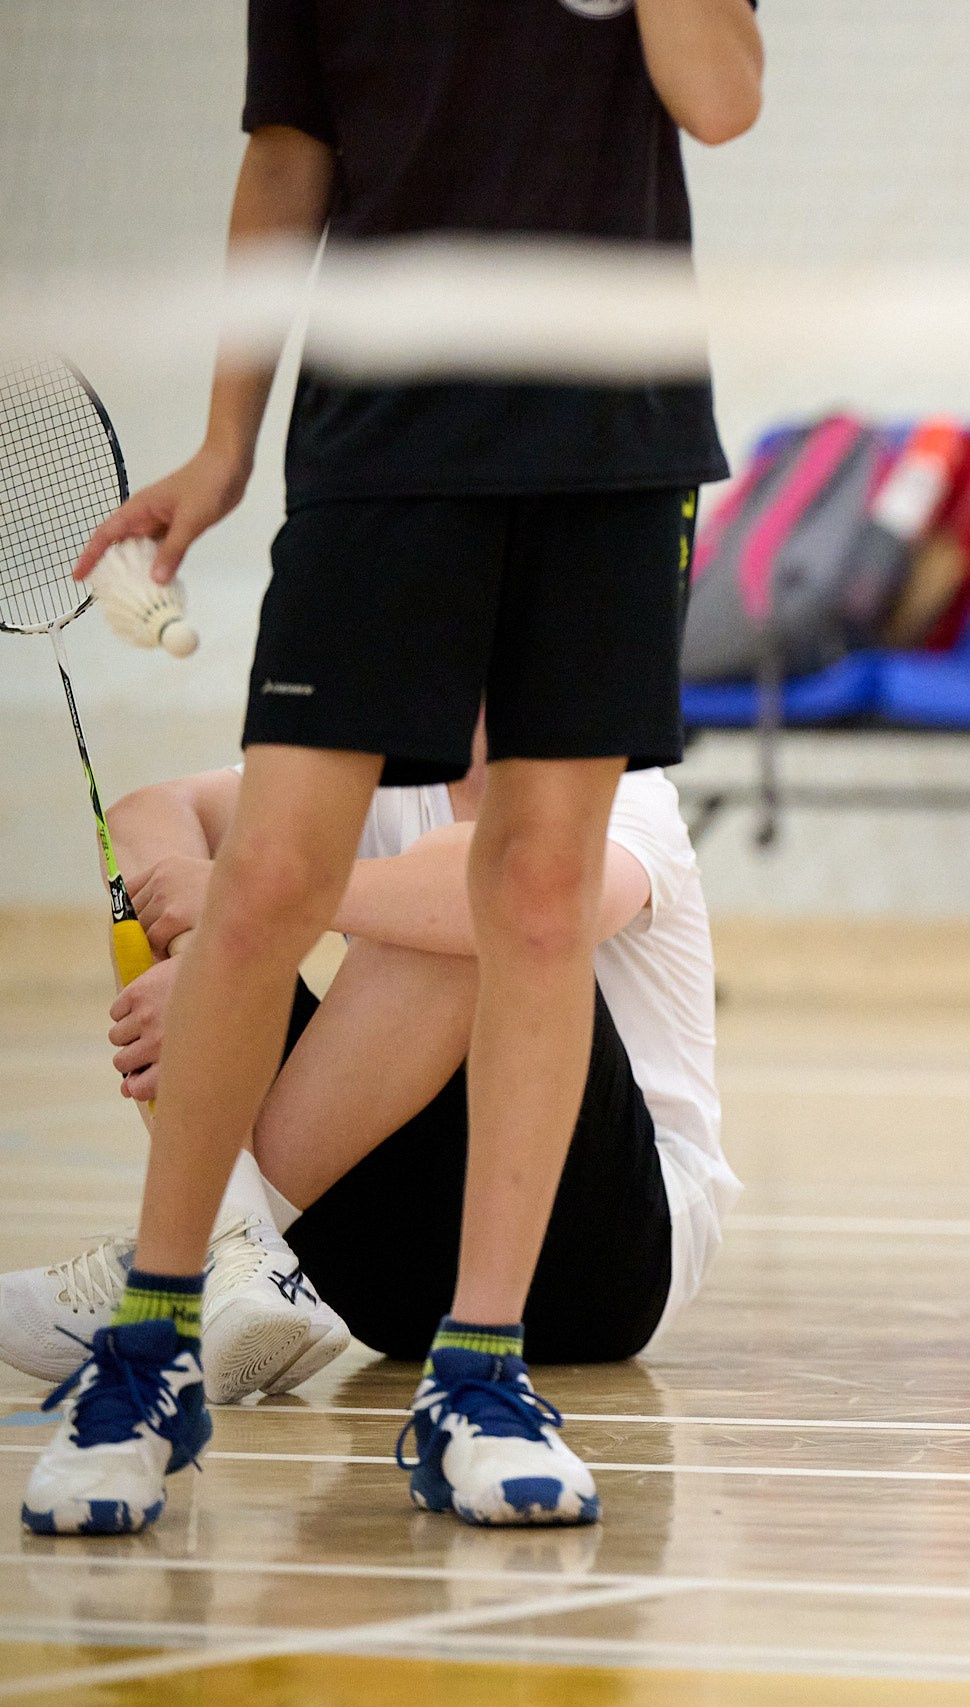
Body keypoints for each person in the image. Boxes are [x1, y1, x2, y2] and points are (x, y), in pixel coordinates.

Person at [24, 0, 759, 1536]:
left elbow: (722, 96)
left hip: (611, 447)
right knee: (273, 879)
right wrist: (227, 440)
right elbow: (288, 158)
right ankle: (154, 1336)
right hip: (383, 444)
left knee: (535, 895)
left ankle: (478, 1373)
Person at [1, 730, 732, 1409]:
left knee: (470, 898)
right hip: (374, 1285)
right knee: (176, 907)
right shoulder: (376, 763)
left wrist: (269, 899)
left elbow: (535, 903)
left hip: (605, 1259)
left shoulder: (622, 782)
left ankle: (191, 1254)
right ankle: (238, 1236)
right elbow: (149, 815)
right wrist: (203, 975)